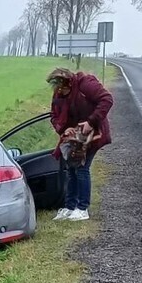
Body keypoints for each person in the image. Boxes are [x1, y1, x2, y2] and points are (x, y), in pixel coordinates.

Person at [48, 67, 113, 221]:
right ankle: (70, 207)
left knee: (82, 168)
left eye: (62, 89)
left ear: (69, 84)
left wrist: (91, 121)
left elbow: (107, 99)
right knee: (71, 169)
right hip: (74, 138)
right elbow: (54, 116)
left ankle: (83, 208)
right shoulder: (58, 92)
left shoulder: (86, 85)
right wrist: (65, 130)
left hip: (93, 134)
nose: (59, 93)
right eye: (57, 89)